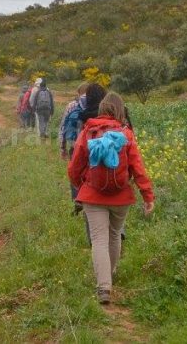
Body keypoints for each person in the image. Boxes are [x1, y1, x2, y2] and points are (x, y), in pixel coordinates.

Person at [67, 93, 155, 304]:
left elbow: (74, 168)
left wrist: (82, 186)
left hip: (92, 195)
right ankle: (110, 274)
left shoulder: (88, 131)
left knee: (98, 239)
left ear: (102, 109)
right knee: (114, 235)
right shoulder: (126, 134)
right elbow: (138, 168)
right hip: (121, 196)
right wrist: (147, 196)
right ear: (120, 110)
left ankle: (104, 287)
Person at [59, 83, 90, 160]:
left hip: (74, 143)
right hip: (90, 145)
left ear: (79, 93)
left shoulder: (72, 105)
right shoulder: (96, 106)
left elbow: (63, 126)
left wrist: (63, 147)